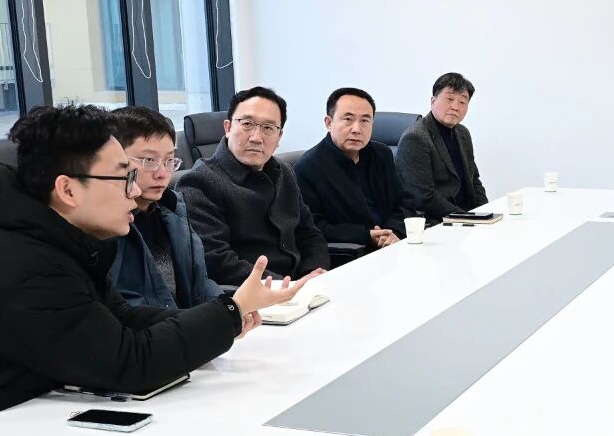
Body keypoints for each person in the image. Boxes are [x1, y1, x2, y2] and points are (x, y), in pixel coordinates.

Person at [0, 105, 318, 436]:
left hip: (29, 425)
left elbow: (124, 319)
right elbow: (130, 363)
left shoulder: (65, 241)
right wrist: (228, 311)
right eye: (123, 176)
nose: (134, 190)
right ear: (68, 190)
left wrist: (223, 316)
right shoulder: (23, 265)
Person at [179, 86, 331, 285]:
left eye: (268, 128)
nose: (256, 138)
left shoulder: (283, 172)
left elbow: (309, 233)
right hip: (254, 294)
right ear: (228, 127)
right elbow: (217, 261)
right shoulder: (199, 182)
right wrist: (287, 286)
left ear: (279, 137)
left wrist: (313, 274)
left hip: (301, 286)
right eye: (247, 124)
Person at [108, 105, 221, 309]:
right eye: (149, 160)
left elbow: (199, 284)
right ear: (114, 159)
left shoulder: (173, 208)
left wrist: (229, 305)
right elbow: (127, 306)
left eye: (169, 161)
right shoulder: (108, 224)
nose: (162, 174)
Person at [294, 87, 409, 249]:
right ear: (329, 123)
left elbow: (403, 203)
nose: (357, 129)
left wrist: (393, 232)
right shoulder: (308, 168)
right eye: (348, 119)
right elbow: (313, 226)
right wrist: (366, 235)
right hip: (353, 252)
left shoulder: (382, 155)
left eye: (365, 121)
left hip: (393, 244)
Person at [397, 72, 488, 222]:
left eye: (462, 102)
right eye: (450, 99)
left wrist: (485, 212)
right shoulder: (415, 138)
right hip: (435, 220)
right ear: (433, 101)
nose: (455, 107)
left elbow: (474, 180)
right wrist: (468, 218)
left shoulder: (463, 133)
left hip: (466, 217)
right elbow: (424, 197)